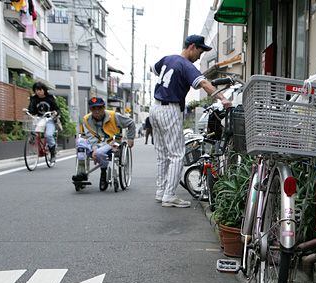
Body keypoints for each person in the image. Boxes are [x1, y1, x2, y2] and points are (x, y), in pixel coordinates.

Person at [149, 34, 232, 208]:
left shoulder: (167, 59)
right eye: (200, 52)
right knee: (177, 155)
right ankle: (169, 196)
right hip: (170, 108)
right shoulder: (186, 65)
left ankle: (161, 191)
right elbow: (204, 84)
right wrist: (223, 99)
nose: (199, 57)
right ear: (192, 47)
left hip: (155, 107)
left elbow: (154, 70)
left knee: (163, 154)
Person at [72, 97, 135, 190]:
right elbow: (88, 136)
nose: (97, 111)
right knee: (80, 145)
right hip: (94, 143)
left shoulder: (114, 116)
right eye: (94, 109)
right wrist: (94, 148)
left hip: (113, 142)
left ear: (104, 107)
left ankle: (103, 173)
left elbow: (131, 123)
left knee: (99, 153)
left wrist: (130, 138)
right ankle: (81, 174)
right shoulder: (86, 119)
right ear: (90, 109)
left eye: (99, 108)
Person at [27, 82, 60, 162]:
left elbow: (57, 109)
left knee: (48, 135)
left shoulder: (50, 98)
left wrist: (56, 113)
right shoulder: (34, 99)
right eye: (36, 90)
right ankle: (33, 140)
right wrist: (27, 111)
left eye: (40, 90)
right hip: (39, 119)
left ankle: (53, 154)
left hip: (49, 119)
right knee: (33, 130)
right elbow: (32, 110)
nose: (38, 92)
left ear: (44, 90)